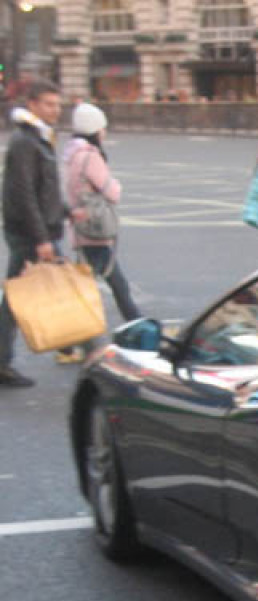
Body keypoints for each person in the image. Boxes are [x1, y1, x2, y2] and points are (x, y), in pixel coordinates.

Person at [0, 80, 67, 388]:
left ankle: (75, 344)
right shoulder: (25, 141)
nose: (56, 110)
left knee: (18, 296)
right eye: (49, 104)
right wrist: (41, 238)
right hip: (30, 233)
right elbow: (24, 192)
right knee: (16, 298)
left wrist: (66, 211)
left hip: (39, 228)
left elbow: (44, 188)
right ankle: (85, 347)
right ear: (33, 105)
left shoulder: (38, 137)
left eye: (58, 104)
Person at [62, 102, 142, 360]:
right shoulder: (91, 156)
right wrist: (116, 183)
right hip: (96, 231)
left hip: (81, 229)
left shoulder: (72, 155)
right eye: (103, 128)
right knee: (116, 285)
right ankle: (139, 332)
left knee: (88, 287)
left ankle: (68, 345)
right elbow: (112, 191)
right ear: (95, 129)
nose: (105, 133)